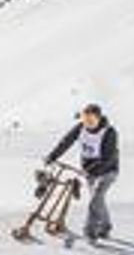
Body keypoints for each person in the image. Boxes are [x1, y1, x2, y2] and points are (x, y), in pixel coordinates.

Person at [40, 103, 120, 241]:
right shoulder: (80, 128)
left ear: (99, 118)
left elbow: (108, 157)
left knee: (96, 198)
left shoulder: (109, 132)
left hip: (108, 170)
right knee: (98, 200)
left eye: (91, 120)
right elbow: (66, 142)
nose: (88, 123)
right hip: (89, 170)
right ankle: (106, 227)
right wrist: (52, 156)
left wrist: (91, 170)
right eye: (85, 119)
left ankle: (90, 232)